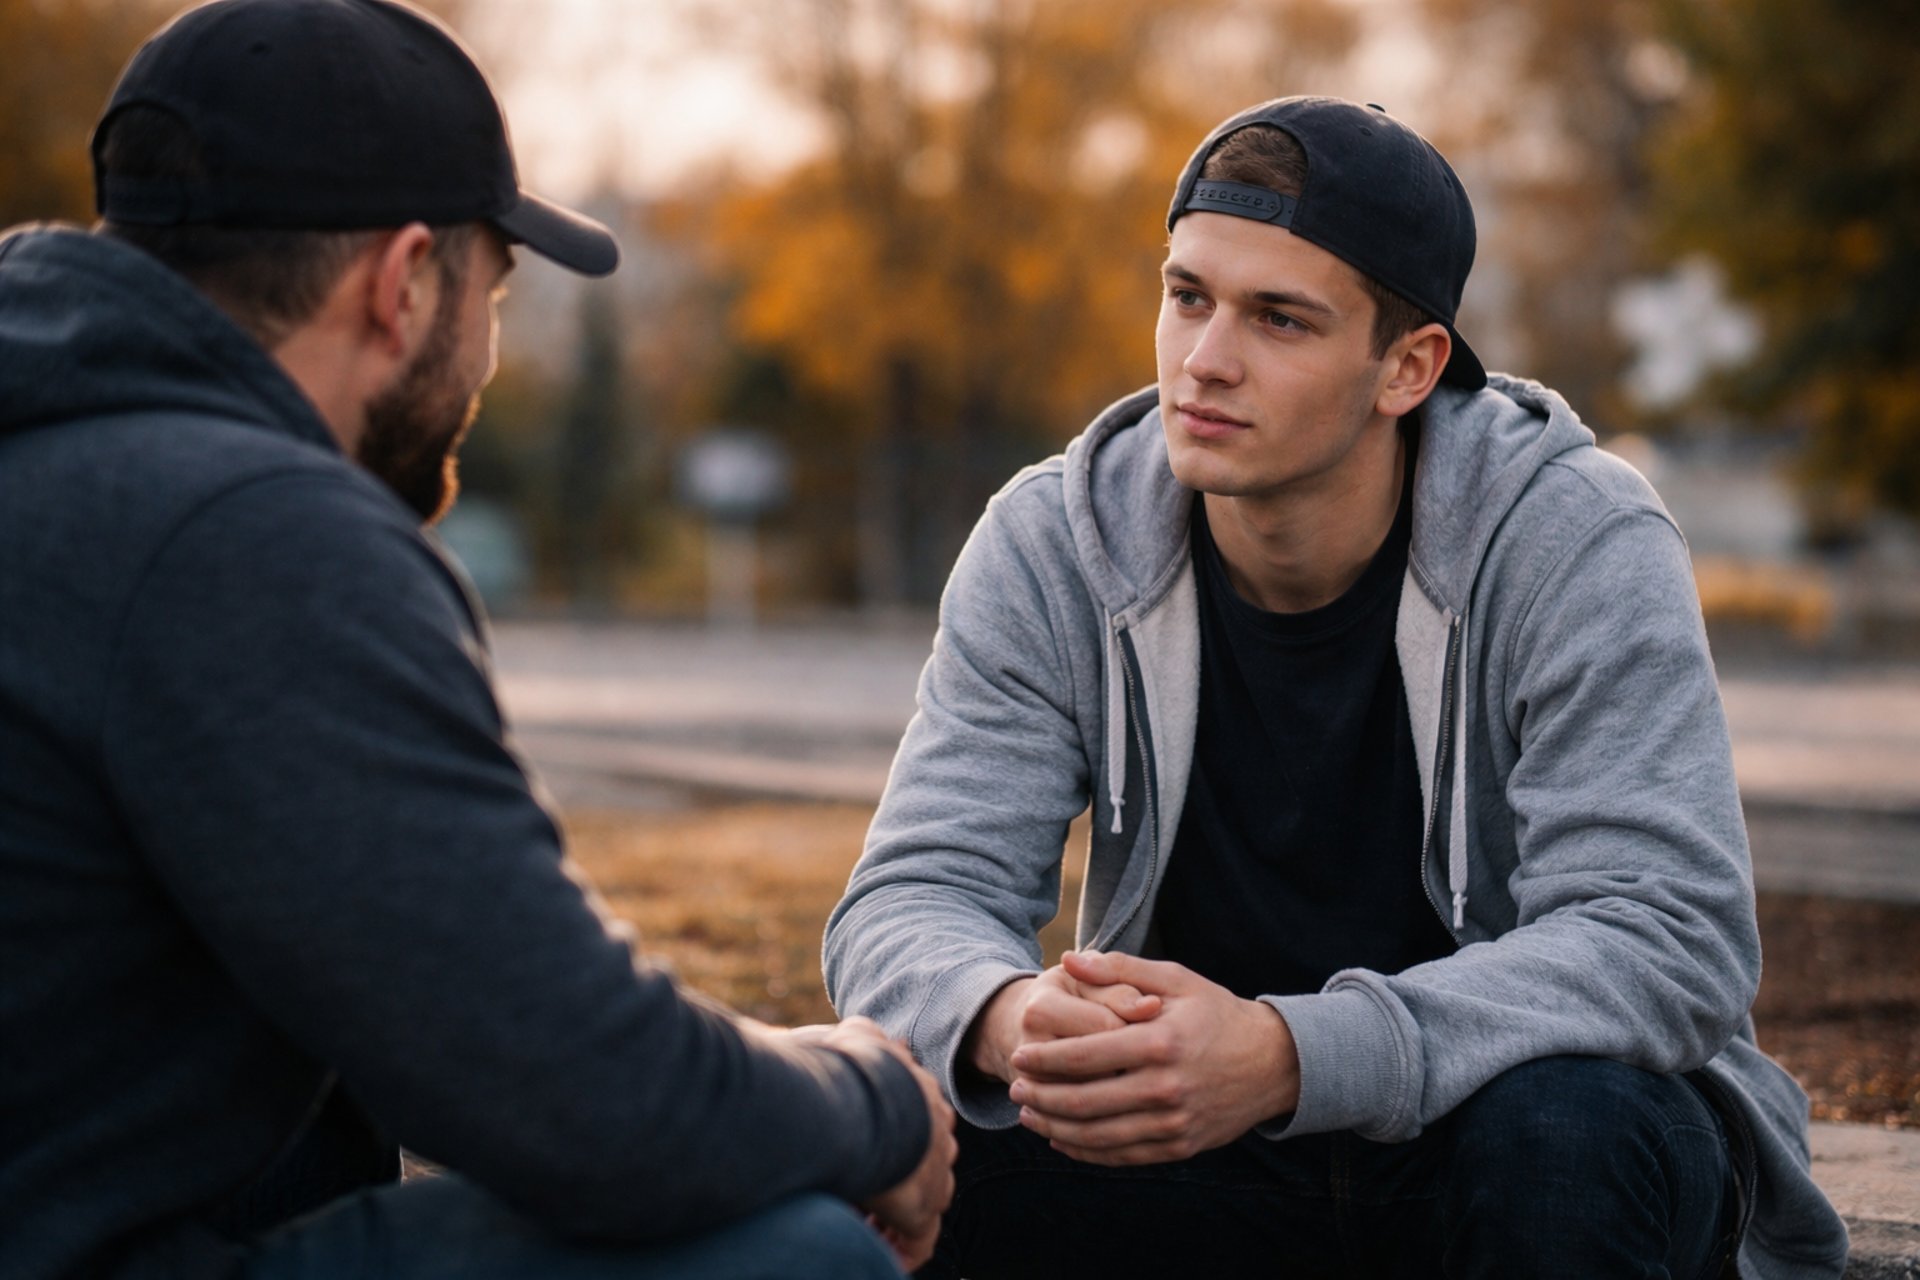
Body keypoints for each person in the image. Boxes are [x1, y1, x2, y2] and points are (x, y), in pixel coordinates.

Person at [0, 2, 954, 1278]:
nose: (489, 353)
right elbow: (589, 1096)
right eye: (491, 291)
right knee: (789, 1247)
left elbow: (450, 1018)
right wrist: (876, 1098)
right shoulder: (249, 533)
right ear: (401, 284)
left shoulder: (62, 451)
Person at [825, 96, 1848, 1278]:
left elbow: (1666, 934)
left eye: (1280, 319)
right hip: (1201, 1139)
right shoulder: (1056, 540)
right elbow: (907, 897)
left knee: (1565, 1130)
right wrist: (1016, 1020)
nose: (1206, 359)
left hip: (1494, 1129)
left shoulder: (1574, 535)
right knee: (880, 1130)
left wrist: (1289, 1051)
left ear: (1408, 367)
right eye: (1187, 295)